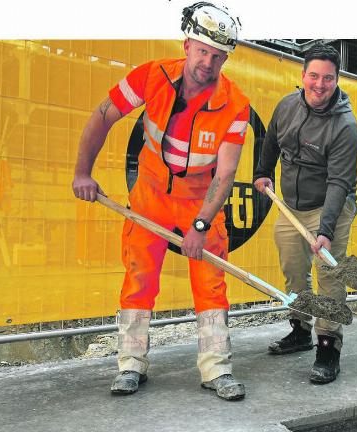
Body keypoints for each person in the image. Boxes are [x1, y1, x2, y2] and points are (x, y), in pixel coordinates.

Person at [71, 2, 250, 401]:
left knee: (210, 284)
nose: (208, 62)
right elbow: (103, 116)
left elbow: (225, 175)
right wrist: (83, 172)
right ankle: (131, 365)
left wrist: (201, 226)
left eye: (218, 56)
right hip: (150, 196)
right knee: (139, 277)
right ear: (187, 45)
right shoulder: (152, 76)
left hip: (200, 201)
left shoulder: (235, 104)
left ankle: (216, 369)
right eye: (202, 50)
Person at [252, 43, 357, 384]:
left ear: (337, 80)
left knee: (329, 277)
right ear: (303, 76)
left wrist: (325, 229)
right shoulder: (287, 106)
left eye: (328, 78)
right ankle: (300, 330)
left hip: (331, 206)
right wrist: (262, 171)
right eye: (313, 76)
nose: (320, 84)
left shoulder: (345, 126)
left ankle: (329, 347)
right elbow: (270, 140)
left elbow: (339, 182)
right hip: (291, 205)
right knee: (293, 269)